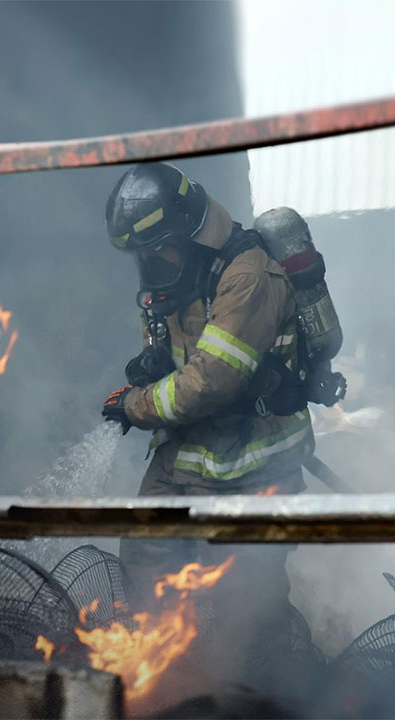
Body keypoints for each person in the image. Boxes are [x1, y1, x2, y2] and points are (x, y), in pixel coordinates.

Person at [98, 162, 317, 692]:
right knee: (144, 566)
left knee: (246, 607)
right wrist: (152, 364)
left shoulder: (248, 275)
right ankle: (163, 681)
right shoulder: (179, 271)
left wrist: (138, 404)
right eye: (140, 257)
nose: (149, 265)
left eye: (156, 251)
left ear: (189, 233)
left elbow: (214, 379)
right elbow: (177, 348)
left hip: (255, 466)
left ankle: (276, 694)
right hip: (187, 458)